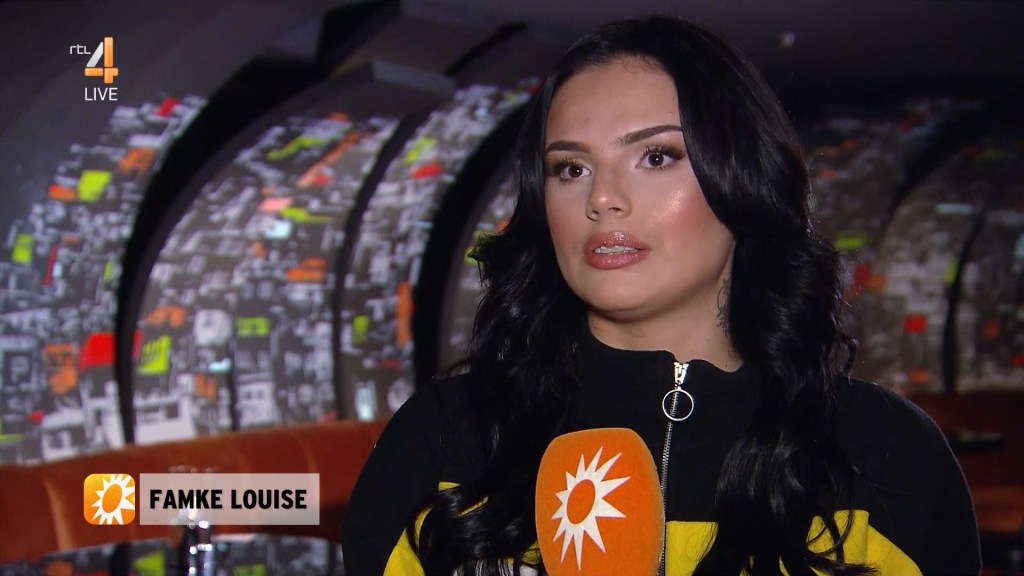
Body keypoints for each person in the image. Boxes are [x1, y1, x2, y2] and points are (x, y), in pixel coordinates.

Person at [342, 15, 981, 576]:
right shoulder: (442, 442)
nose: (602, 198)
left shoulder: (884, 456)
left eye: (655, 157)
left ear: (741, 179)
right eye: (571, 168)